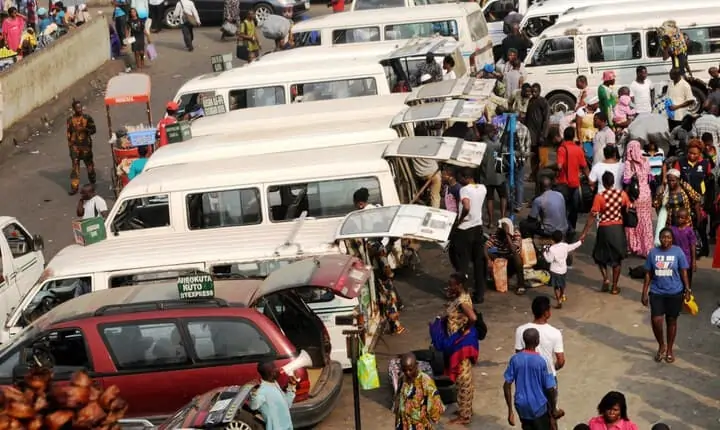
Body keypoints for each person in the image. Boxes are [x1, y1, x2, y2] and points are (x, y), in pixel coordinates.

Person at [579, 171, 630, 295]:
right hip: (617, 228)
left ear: (603, 182)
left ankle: (606, 278)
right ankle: (614, 286)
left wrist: (584, 232)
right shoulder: (622, 194)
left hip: (604, 229)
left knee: (599, 255)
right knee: (617, 259)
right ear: (613, 182)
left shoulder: (599, 197)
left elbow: (592, 215)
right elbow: (628, 208)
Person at [504, 328, 563, 430]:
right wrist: (553, 409)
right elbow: (550, 389)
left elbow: (506, 385)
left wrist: (510, 411)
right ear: (537, 341)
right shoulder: (544, 361)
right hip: (538, 406)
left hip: (521, 406)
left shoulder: (515, 359)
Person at [442, 273, 478, 425]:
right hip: (456, 342)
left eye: (451, 285)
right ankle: (466, 408)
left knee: (463, 378)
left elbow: (473, 317)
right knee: (463, 376)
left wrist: (465, 329)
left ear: (459, 285)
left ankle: (465, 416)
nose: (449, 287)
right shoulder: (461, 297)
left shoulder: (463, 301)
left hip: (460, 344)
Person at [451, 167, 488, 303]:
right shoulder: (482, 188)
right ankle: (480, 293)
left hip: (465, 229)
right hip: (477, 227)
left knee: (463, 263)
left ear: (465, 178)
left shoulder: (464, 190)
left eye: (460, 177)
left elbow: (466, 206)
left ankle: (463, 293)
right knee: (478, 262)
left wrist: (460, 219)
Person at [514, 296, 566, 382]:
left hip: (528, 377)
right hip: (547, 376)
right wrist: (553, 368)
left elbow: (519, 355)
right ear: (546, 313)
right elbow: (561, 361)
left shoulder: (520, 330)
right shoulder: (555, 332)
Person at [393, 352, 445, 430]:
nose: (407, 373)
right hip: (403, 424)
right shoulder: (402, 378)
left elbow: (435, 405)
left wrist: (432, 416)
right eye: (404, 370)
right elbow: (398, 399)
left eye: (410, 369)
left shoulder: (426, 382)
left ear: (416, 365)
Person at [623, 140, 654, 257]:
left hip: (635, 196)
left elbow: (627, 181)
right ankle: (647, 247)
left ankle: (635, 246)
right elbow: (650, 178)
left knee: (634, 220)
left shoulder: (628, 163)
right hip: (646, 196)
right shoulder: (646, 160)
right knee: (646, 221)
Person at [557, 127, 590, 233]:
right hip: (575, 184)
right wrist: (590, 180)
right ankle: (572, 228)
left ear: (564, 136)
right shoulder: (578, 149)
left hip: (563, 183)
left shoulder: (562, 149)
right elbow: (584, 166)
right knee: (574, 208)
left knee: (564, 207)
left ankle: (566, 227)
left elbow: (559, 166)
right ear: (573, 136)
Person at [248, 361, 295, 430]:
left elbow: (287, 404)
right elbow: (253, 406)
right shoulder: (262, 390)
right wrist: (254, 394)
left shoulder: (275, 384)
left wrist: (291, 386)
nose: (278, 370)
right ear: (271, 373)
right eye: (275, 368)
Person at [485, 218, 525, 295]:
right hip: (501, 258)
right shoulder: (497, 234)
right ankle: (487, 278)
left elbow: (513, 250)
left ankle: (521, 285)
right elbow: (485, 247)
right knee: (483, 255)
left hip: (512, 260)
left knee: (517, 258)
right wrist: (488, 260)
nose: (499, 231)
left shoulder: (516, 234)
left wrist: (507, 234)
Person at [543, 231, 582, 308]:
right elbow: (573, 246)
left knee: (556, 287)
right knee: (562, 285)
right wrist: (580, 241)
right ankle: (562, 296)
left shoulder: (552, 249)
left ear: (552, 240)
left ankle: (559, 301)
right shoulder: (565, 245)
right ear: (561, 238)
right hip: (563, 270)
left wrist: (544, 252)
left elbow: (549, 260)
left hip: (555, 271)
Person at [66, 100, 97, 195]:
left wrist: (85, 130)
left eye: (80, 107)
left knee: (89, 165)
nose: (79, 109)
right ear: (74, 109)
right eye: (77, 108)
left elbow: (93, 130)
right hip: (75, 147)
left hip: (86, 146)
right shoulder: (70, 120)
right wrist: (71, 146)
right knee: (75, 167)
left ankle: (92, 182)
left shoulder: (87, 118)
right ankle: (74, 187)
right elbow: (68, 133)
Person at [479, 124, 507, 227]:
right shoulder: (499, 144)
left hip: (486, 175)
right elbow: (506, 155)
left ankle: (491, 221)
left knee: (489, 198)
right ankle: (502, 219)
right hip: (499, 175)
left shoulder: (481, 144)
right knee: (503, 196)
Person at [526, 83, 550, 183]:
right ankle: (534, 174)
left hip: (541, 134)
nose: (534, 93)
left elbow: (546, 119)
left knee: (543, 157)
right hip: (532, 134)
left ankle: (543, 175)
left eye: (535, 91)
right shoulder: (531, 101)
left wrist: (543, 134)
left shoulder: (543, 101)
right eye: (532, 91)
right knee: (533, 156)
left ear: (539, 91)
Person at [670, 208, 696, 286]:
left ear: (687, 219)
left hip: (687, 259)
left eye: (682, 218)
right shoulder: (672, 229)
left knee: (687, 277)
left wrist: (694, 261)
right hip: (675, 258)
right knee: (676, 277)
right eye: (678, 217)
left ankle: (687, 290)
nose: (679, 219)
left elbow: (692, 246)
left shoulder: (689, 230)